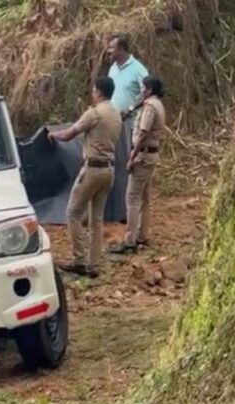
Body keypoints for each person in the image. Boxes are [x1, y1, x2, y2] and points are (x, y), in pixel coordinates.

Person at [49, 77, 122, 278]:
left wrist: (53, 135)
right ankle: (94, 264)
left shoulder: (95, 113)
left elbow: (69, 134)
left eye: (93, 90)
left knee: (73, 212)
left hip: (92, 170)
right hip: (109, 170)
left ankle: (79, 260)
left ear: (98, 92)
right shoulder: (115, 114)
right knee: (97, 219)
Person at [110, 76, 166, 254]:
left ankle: (130, 240)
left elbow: (142, 133)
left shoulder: (149, 108)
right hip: (151, 155)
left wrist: (132, 156)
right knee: (145, 198)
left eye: (143, 88)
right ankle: (142, 234)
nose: (141, 91)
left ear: (149, 90)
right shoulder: (157, 105)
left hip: (143, 155)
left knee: (132, 197)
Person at [105, 34, 149, 224]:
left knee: (130, 165)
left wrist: (130, 109)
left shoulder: (138, 69)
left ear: (122, 50)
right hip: (114, 124)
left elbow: (148, 93)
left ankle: (129, 211)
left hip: (132, 126)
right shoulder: (112, 68)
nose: (109, 51)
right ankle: (116, 208)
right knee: (115, 162)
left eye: (112, 48)